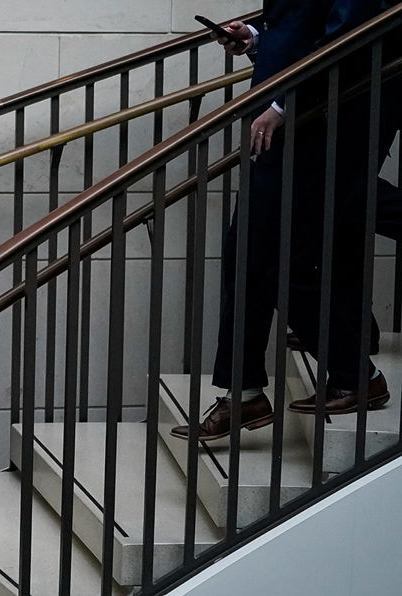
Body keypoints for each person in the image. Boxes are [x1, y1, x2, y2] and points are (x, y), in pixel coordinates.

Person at [171, 1, 399, 442]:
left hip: (322, 116)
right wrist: (255, 37)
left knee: (278, 261)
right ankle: (245, 392)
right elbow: (301, 20)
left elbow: (347, 34)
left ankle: (355, 375)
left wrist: (284, 103)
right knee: (247, 253)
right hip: (296, 115)